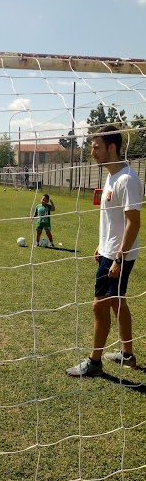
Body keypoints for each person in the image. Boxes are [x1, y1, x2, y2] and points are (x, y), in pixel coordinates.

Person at [67, 125, 142, 377]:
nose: (92, 152)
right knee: (117, 304)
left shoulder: (127, 179)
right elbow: (115, 220)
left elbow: (134, 222)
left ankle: (94, 362)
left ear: (112, 147)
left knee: (99, 307)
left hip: (118, 257)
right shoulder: (111, 176)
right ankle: (127, 353)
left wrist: (118, 256)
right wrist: (103, 243)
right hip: (110, 252)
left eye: (97, 147)